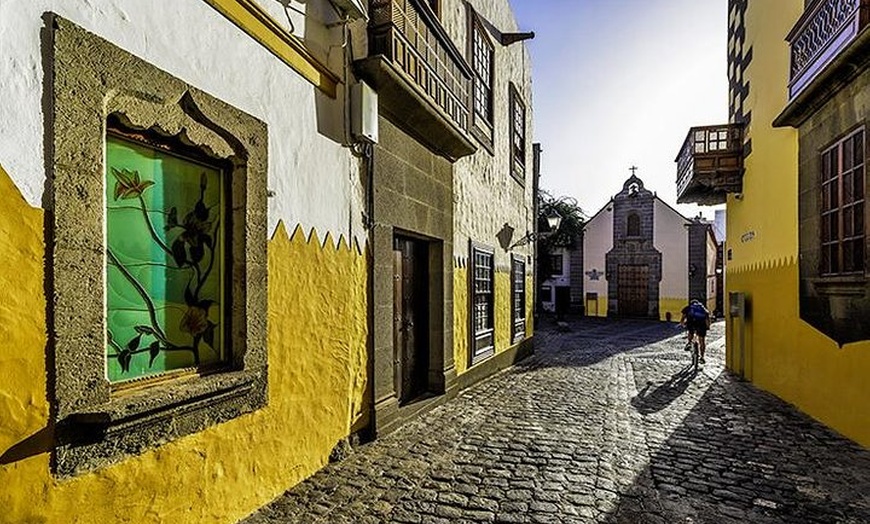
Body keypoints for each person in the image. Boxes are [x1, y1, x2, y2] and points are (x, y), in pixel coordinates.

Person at [681, 299, 711, 364]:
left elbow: (683, 318)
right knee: (702, 341)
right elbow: (707, 318)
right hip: (701, 325)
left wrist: (683, 324)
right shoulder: (703, 309)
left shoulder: (688, 308)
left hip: (691, 323)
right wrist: (708, 326)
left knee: (690, 332)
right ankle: (702, 357)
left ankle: (689, 343)